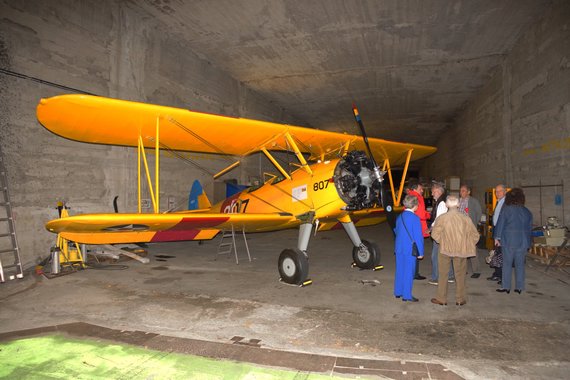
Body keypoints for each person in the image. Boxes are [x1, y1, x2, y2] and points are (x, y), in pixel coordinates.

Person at [430, 195, 480, 306]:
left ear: (447, 205)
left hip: (445, 250)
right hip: (461, 251)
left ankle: (441, 299)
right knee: (460, 275)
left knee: (443, 274)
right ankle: (460, 299)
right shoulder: (466, 218)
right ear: (458, 205)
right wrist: (467, 244)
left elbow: (434, 234)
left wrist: (443, 241)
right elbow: (475, 236)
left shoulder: (442, 218)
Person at [494, 188, 533, 294]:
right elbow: (530, 229)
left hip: (509, 241)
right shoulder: (527, 211)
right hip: (523, 242)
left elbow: (500, 224)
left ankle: (506, 287)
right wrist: (529, 242)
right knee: (520, 265)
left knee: (507, 264)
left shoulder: (507, 209)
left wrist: (497, 238)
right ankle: (519, 287)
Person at [394, 195, 425, 302]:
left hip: (399, 247)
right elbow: (418, 237)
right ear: (415, 206)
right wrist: (420, 252)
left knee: (400, 270)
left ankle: (398, 292)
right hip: (409, 249)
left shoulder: (400, 216)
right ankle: (407, 295)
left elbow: (396, 231)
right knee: (408, 271)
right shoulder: (415, 219)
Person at [428, 182, 454, 285]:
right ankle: (450, 276)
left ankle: (436, 278)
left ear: (438, 191)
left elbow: (440, 219)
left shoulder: (441, 203)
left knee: (435, 256)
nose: (432, 194)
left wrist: (431, 228)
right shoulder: (445, 200)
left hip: (441, 233)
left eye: (433, 192)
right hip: (447, 232)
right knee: (446, 254)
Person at [459, 184, 483, 278]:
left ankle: (476, 270)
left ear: (468, 192)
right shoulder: (459, 201)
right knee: (461, 250)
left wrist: (474, 224)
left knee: (472, 249)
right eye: (461, 191)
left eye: (463, 191)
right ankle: (463, 270)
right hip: (460, 229)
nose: (461, 192)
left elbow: (479, 213)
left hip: (470, 228)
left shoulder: (473, 201)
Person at [407, 180, 430, 280]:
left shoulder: (410, 196)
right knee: (416, 250)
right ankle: (414, 273)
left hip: (412, 226)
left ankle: (412, 272)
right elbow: (420, 214)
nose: (422, 191)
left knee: (412, 250)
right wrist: (429, 215)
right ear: (416, 189)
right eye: (421, 189)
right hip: (418, 226)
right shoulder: (417, 197)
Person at [487, 184, 507, 282]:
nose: (498, 193)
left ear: (505, 192)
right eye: (496, 191)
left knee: (502, 256)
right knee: (496, 254)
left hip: (502, 234)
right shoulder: (499, 202)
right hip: (496, 232)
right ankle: (497, 274)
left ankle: (503, 277)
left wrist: (499, 236)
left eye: (500, 191)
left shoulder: (507, 204)